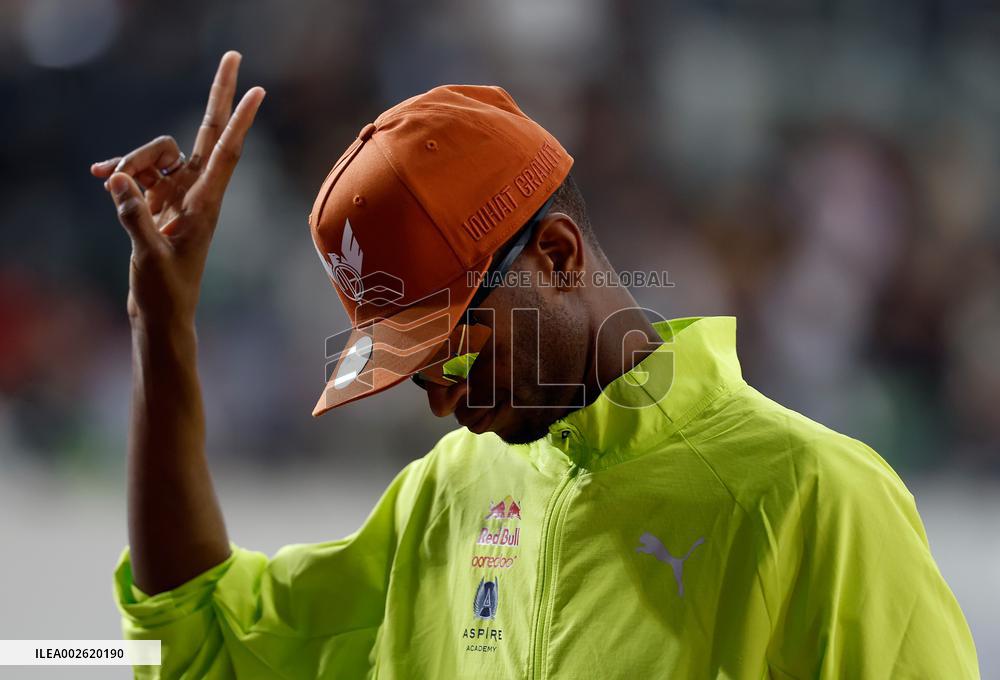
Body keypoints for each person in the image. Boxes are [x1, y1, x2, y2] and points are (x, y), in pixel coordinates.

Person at [94, 52, 980, 679]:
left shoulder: (813, 501)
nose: (439, 403)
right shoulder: (444, 500)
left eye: (453, 349)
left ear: (556, 253)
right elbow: (196, 642)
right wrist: (159, 327)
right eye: (408, 367)